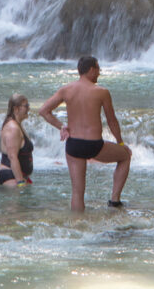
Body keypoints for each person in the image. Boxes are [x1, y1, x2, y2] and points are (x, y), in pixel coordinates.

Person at [38, 55, 132, 211]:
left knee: (77, 191)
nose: (99, 73)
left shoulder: (66, 90)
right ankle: (115, 201)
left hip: (74, 144)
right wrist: (121, 143)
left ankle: (78, 226)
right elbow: (112, 121)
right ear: (91, 70)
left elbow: (44, 111)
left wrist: (61, 126)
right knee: (125, 156)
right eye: (98, 69)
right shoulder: (101, 92)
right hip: (94, 144)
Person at [0, 93, 35, 187]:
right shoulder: (13, 128)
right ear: (16, 109)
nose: (29, 109)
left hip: (17, 176)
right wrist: (20, 182)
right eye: (26, 106)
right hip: (11, 176)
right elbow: (12, 157)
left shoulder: (18, 125)